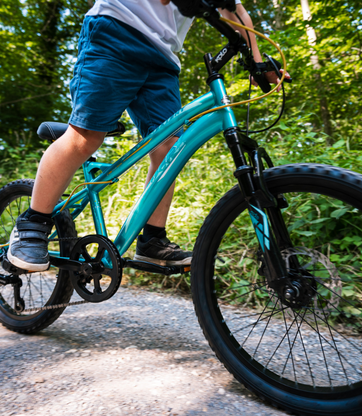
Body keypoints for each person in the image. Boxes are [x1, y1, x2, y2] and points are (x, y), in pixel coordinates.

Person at [8, 0, 285, 272]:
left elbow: (234, 10)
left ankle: (153, 239)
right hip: (115, 31)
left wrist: (258, 61)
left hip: (163, 58)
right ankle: (33, 224)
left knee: (170, 149)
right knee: (86, 136)